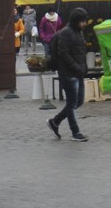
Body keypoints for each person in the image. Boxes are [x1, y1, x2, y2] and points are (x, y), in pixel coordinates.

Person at [47, 8, 89, 142]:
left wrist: (83, 67)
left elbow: (81, 51)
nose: (84, 24)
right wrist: (76, 67)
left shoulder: (78, 32)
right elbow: (63, 53)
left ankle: (55, 121)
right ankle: (75, 132)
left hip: (78, 72)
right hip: (68, 73)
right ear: (76, 21)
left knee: (79, 101)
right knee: (71, 103)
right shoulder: (66, 33)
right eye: (82, 21)